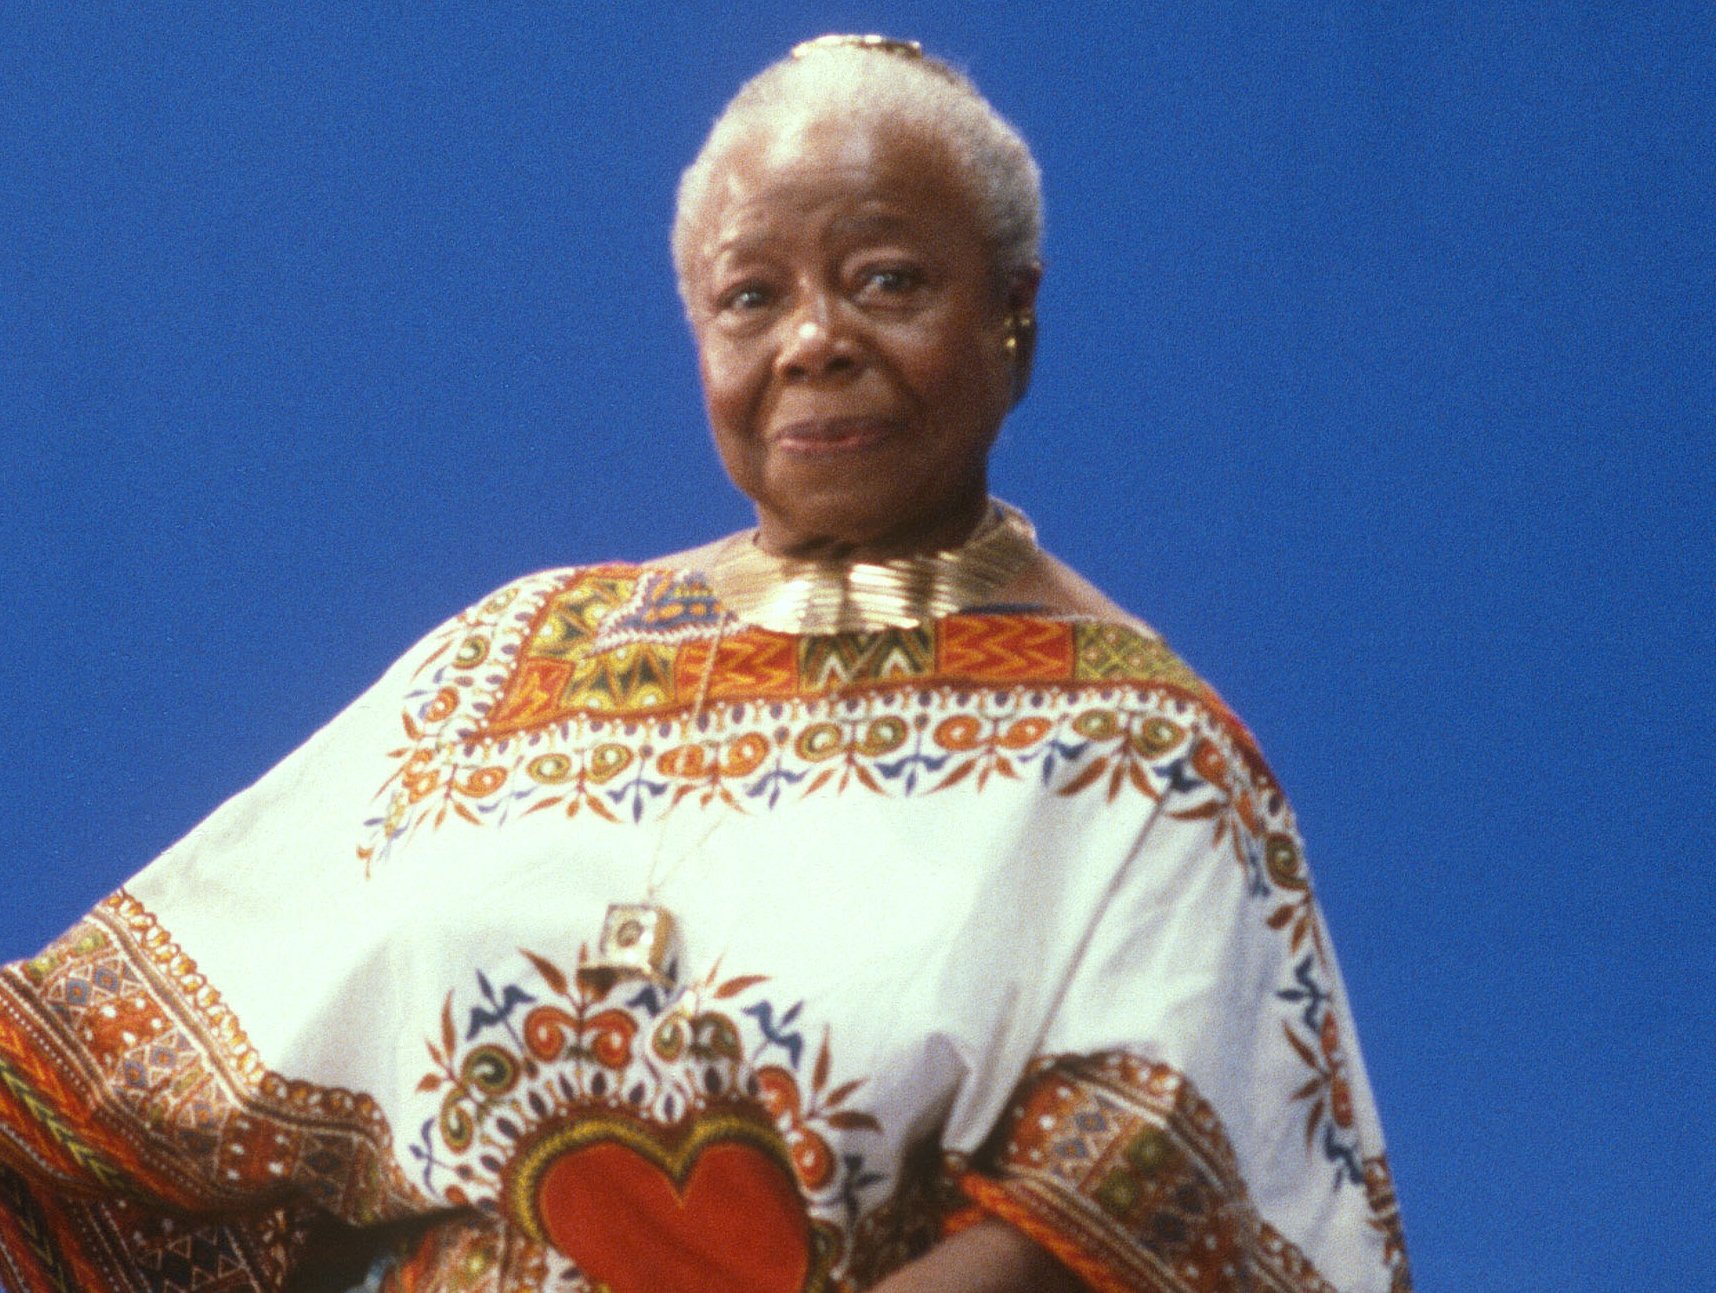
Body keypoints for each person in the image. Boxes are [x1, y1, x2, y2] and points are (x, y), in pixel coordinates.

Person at [0, 35, 1410, 1293]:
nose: (814, 341)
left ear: (1014, 313)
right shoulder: (517, 649)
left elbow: (1128, 1208)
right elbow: (118, 1073)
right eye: (751, 297)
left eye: (886, 280)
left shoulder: (1141, 749)